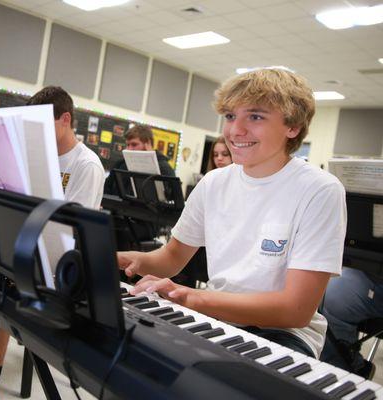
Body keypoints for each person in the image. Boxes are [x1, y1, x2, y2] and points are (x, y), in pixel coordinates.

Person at [119, 68, 346, 360]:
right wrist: (123, 258)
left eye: (255, 116)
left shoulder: (320, 190)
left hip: (282, 334)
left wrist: (194, 296)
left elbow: (296, 310)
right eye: (229, 116)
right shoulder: (214, 183)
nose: (234, 131)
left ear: (293, 126)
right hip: (214, 318)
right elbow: (172, 258)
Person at [0, 86, 105, 400]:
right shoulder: (39, 156)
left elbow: (71, 230)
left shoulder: (86, 165)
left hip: (61, 265)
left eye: (42, 123)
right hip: (32, 246)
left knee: (3, 280)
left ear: (65, 119)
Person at [320, 269, 383, 379]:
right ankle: (347, 364)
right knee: (323, 287)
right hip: (366, 272)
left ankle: (344, 373)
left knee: (335, 296)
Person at [103, 124, 175, 195]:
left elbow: (172, 196)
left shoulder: (164, 168)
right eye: (128, 145)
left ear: (148, 143)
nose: (129, 149)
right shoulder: (119, 165)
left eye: (134, 144)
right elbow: (106, 189)